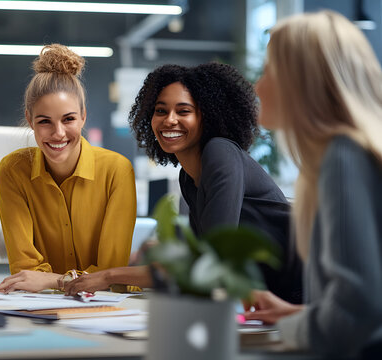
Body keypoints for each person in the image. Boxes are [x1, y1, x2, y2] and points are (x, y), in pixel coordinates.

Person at [65, 62, 303, 305]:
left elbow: (208, 263)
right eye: (160, 111)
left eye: (183, 111)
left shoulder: (220, 153)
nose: (169, 120)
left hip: (299, 297)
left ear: (206, 117)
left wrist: (108, 276)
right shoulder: (188, 178)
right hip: (262, 301)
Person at [242, 11, 382, 358]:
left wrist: (287, 332)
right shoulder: (349, 152)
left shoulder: (343, 156)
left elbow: (359, 308)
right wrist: (298, 314)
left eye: (269, 71)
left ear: (302, 81)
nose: (258, 87)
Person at [0, 44, 137, 293]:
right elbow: (24, 269)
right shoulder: (13, 171)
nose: (58, 133)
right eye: (44, 121)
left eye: (68, 119)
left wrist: (55, 281)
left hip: (108, 308)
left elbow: (111, 274)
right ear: (30, 120)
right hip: (40, 307)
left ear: (83, 116)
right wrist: (77, 281)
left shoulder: (117, 171)